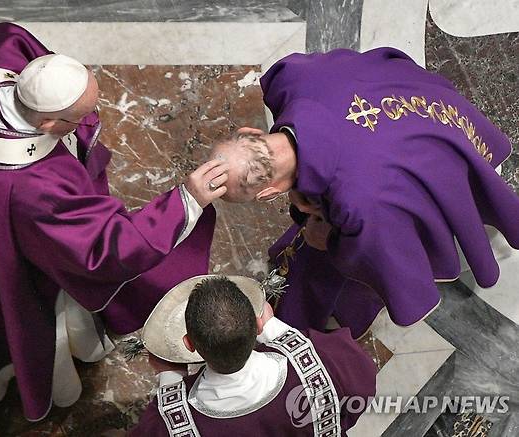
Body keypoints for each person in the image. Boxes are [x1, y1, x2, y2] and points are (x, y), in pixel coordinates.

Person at [0, 22, 228, 430]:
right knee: (17, 317)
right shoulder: (31, 184)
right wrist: (187, 200)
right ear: (50, 124)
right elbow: (104, 249)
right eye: (80, 117)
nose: (90, 120)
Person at [209, 47, 519, 339]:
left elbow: (382, 256)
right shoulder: (294, 81)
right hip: (440, 111)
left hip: (452, 172)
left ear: (268, 193)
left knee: (331, 263)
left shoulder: (358, 204)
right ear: (251, 134)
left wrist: (330, 240)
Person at [131, 276, 377, 436]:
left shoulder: (173, 427)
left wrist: (170, 377)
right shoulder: (325, 362)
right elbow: (362, 385)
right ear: (258, 326)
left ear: (188, 344)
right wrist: (276, 329)